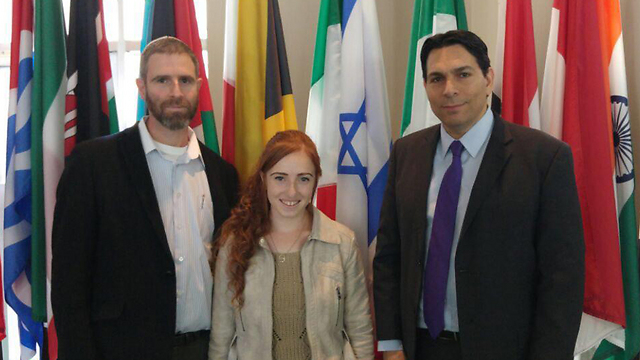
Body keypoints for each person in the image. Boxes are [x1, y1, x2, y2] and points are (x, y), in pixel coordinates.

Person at [373, 30, 584, 360]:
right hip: (418, 348)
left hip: (505, 350)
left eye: (463, 74)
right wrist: (391, 344)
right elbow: (389, 256)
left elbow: (562, 278)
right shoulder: (406, 153)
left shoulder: (544, 158)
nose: (450, 89)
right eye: (436, 78)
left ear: (488, 78)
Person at [51, 36, 239, 360]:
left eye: (184, 80)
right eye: (162, 80)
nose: (176, 92)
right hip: (122, 351)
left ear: (198, 86)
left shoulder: (223, 175)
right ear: (142, 87)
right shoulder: (94, 165)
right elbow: (70, 283)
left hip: (210, 349)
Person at [208, 130, 374, 360]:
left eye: (303, 178)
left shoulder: (341, 243)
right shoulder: (235, 243)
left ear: (316, 179)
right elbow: (221, 336)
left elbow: (360, 330)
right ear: (263, 178)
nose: (292, 191)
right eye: (280, 177)